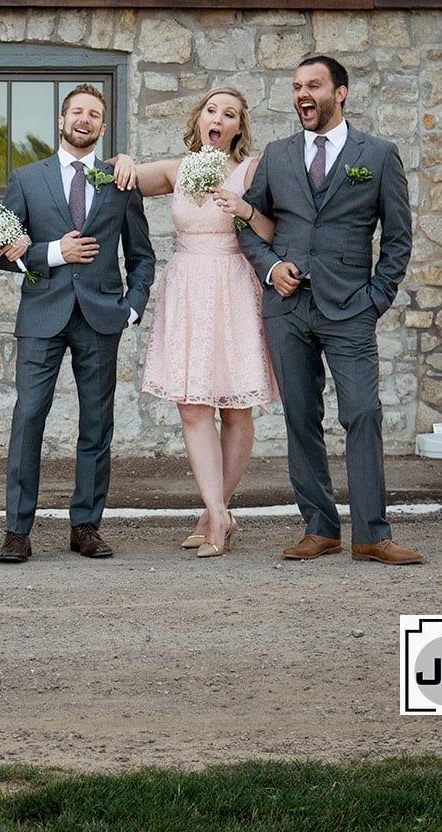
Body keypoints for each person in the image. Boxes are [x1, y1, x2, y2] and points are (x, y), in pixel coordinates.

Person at [236, 56, 421, 565]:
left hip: (350, 309)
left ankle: (371, 535)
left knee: (362, 412)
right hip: (288, 309)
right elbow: (248, 223)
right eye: (296, 86)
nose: (302, 94)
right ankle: (319, 528)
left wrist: (375, 299)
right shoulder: (276, 155)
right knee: (301, 416)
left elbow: (399, 238)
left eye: (313, 85)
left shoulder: (378, 155)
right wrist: (271, 268)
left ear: (340, 93)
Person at [112, 87, 279, 558]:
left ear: (239, 128)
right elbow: (114, 180)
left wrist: (243, 208)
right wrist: (123, 157)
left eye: (230, 114)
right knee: (192, 406)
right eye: (212, 110)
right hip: (187, 286)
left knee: (236, 407)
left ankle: (214, 514)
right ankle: (218, 512)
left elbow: (273, 230)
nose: (219, 118)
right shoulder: (176, 169)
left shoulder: (252, 169)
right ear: (200, 118)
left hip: (234, 286)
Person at [0, 84, 155, 562]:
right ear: (61, 122)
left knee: (96, 423)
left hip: (101, 316)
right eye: (76, 112)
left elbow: (142, 255)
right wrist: (51, 253)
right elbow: (0, 255)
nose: (84, 119)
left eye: (94, 114)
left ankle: (85, 525)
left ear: (102, 128)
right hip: (42, 313)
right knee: (28, 419)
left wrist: (132, 306)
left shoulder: (119, 180)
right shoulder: (26, 178)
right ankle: (18, 530)